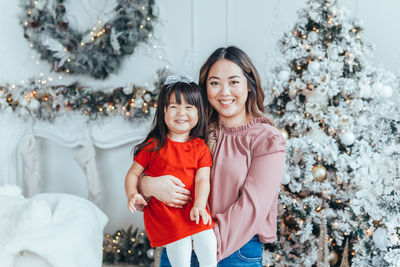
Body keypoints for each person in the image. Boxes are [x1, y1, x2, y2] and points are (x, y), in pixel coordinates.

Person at [139, 46, 286, 266]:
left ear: (250, 86)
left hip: (235, 250)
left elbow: (251, 207)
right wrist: (148, 185)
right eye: (214, 83)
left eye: (234, 82)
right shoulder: (192, 132)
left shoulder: (267, 139)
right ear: (204, 89)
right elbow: (147, 170)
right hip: (179, 243)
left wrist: (204, 244)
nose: (224, 92)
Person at [124, 75, 217, 267]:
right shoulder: (154, 145)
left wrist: (199, 204)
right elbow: (133, 174)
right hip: (167, 216)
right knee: (180, 258)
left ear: (199, 114)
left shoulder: (200, 147)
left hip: (194, 209)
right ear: (163, 112)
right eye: (174, 107)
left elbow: (202, 180)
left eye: (189, 107)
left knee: (208, 244)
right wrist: (133, 194)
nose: (181, 112)